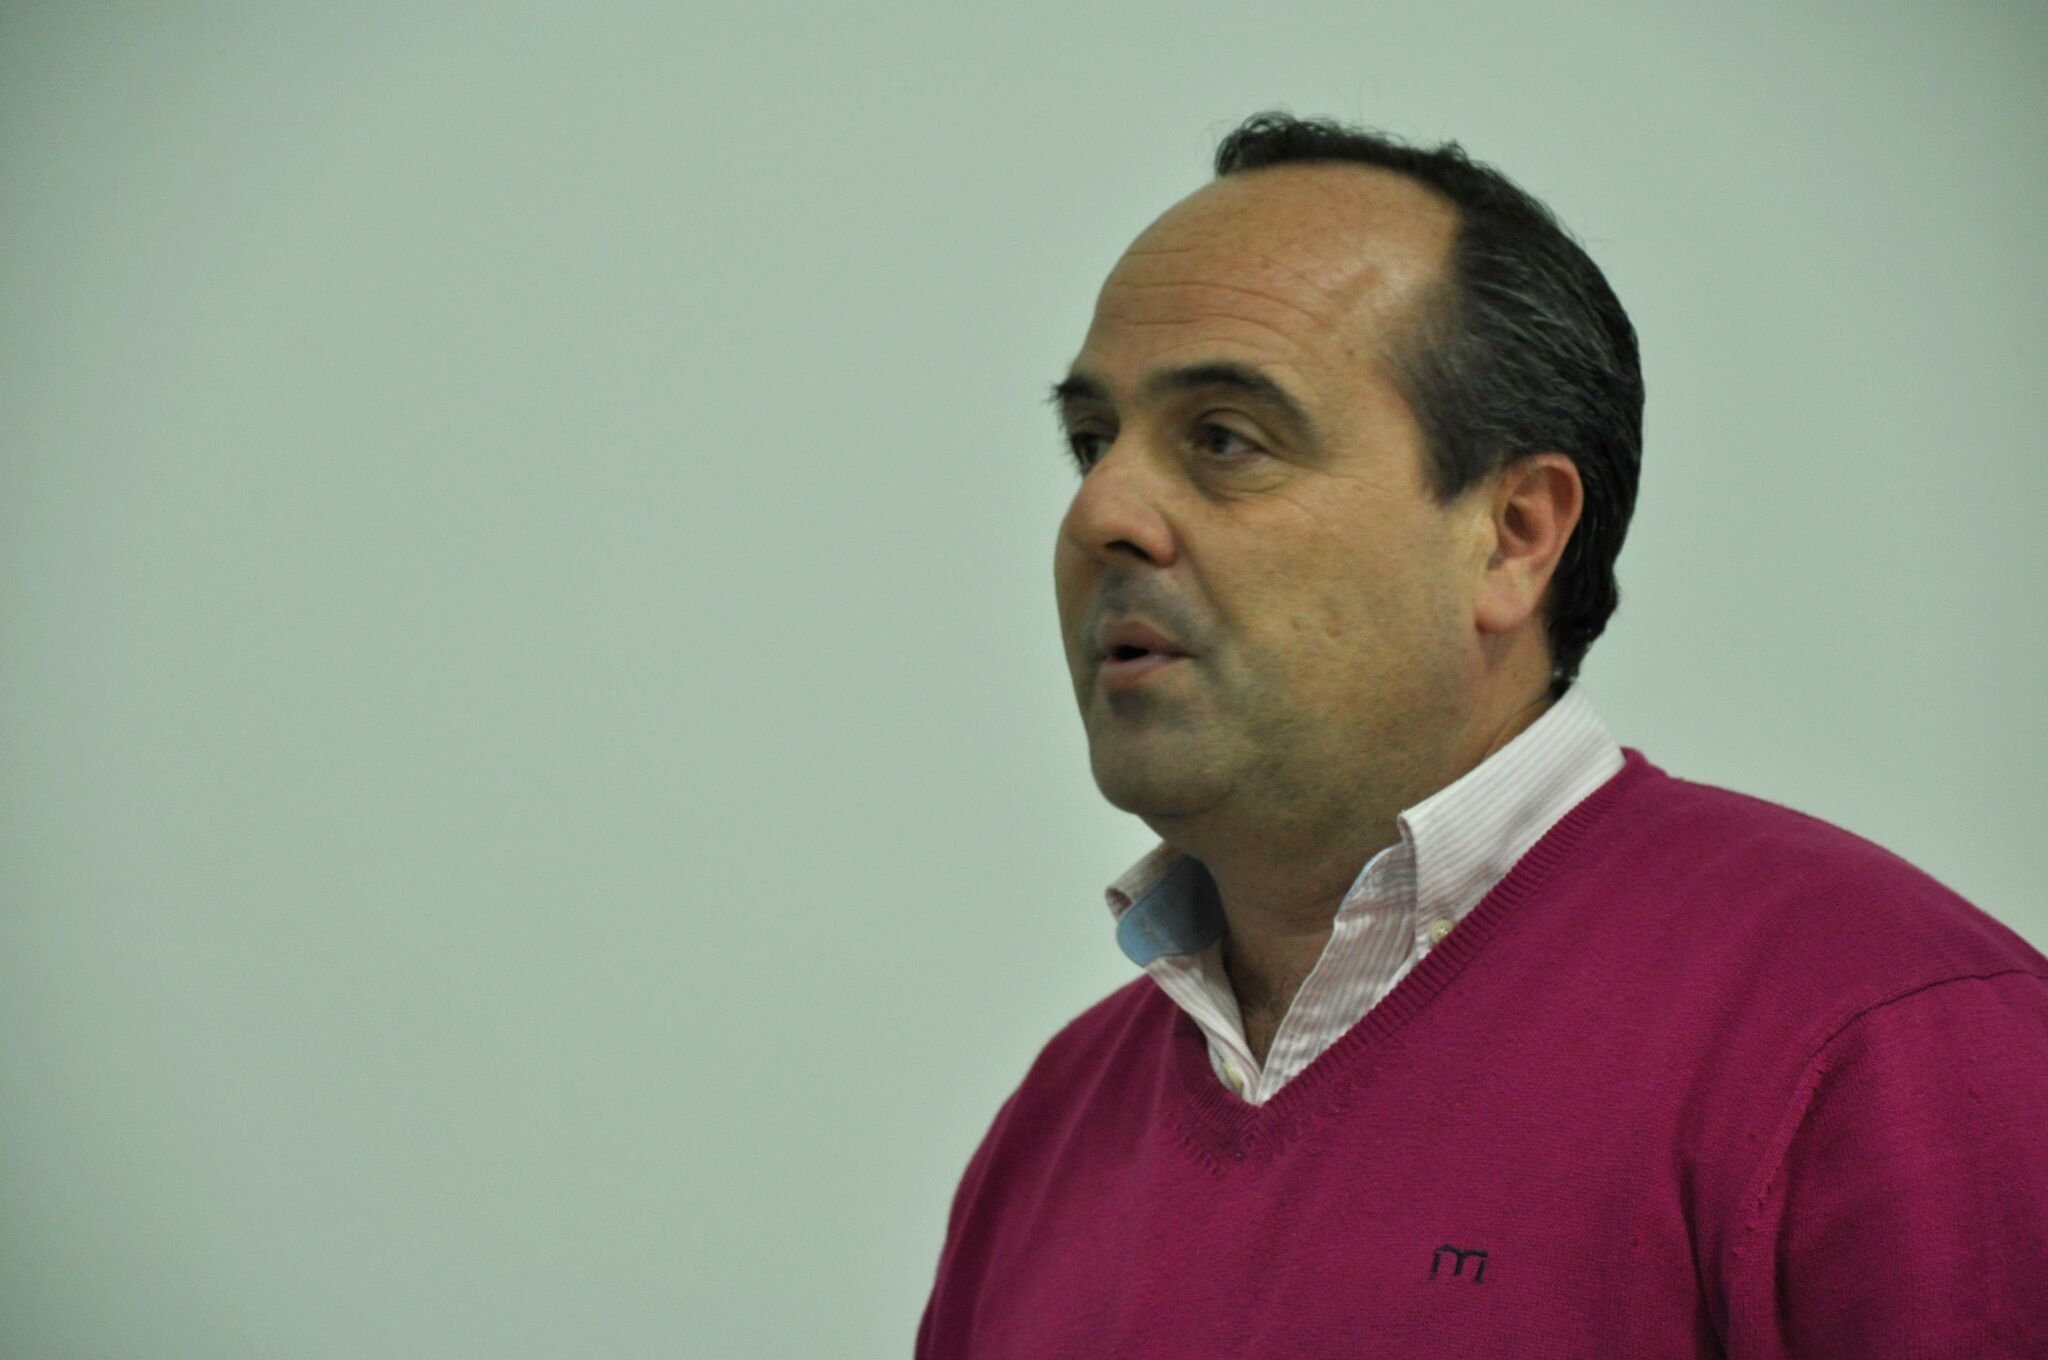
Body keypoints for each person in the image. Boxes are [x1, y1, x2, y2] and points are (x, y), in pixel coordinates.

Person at [914, 112, 2048, 1358]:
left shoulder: (1882, 1036)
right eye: (1090, 442)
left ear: (1512, 536)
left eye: (1225, 439)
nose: (1099, 512)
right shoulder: (1051, 1129)